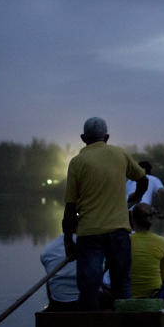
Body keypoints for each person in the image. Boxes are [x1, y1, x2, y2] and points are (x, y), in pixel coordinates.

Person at [62, 117, 148, 310]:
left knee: (89, 288)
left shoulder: (77, 162)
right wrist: (136, 196)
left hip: (89, 234)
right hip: (119, 231)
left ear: (83, 138)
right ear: (106, 137)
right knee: (122, 284)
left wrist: (68, 240)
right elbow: (143, 179)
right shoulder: (120, 155)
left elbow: (70, 208)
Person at [129, 202, 164, 305]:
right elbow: (163, 276)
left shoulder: (125, 241)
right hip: (154, 295)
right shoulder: (162, 241)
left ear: (132, 220)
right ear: (150, 221)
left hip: (128, 294)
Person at [40, 234, 78, 311]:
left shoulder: (47, 251)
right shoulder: (94, 244)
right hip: (89, 301)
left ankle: (50, 306)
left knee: (49, 277)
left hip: (58, 301)